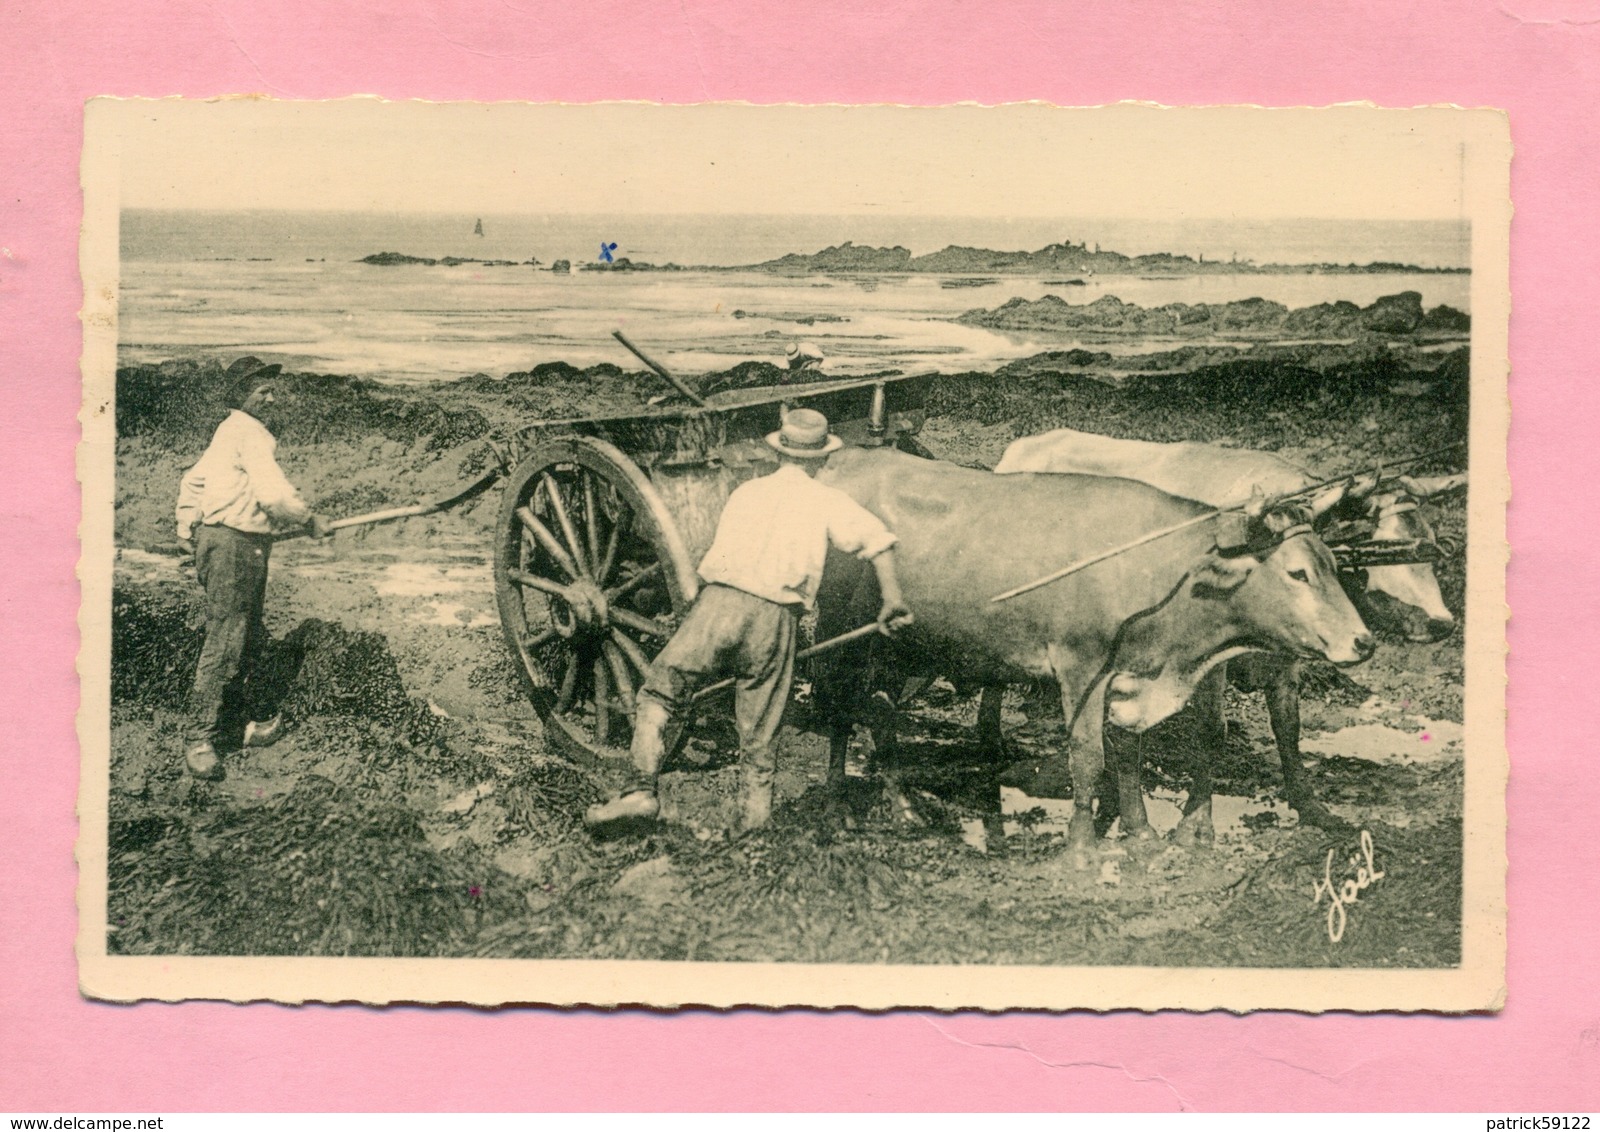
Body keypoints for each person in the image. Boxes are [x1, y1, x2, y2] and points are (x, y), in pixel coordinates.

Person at [584, 407, 913, 833]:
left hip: (717, 605)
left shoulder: (746, 492)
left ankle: (640, 792)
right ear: (820, 459)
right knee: (760, 736)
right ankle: (753, 831)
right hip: (774, 618)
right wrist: (891, 600)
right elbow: (879, 540)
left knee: (659, 694)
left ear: (779, 453)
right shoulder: (828, 500)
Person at [174, 356, 327, 780]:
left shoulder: (228, 430)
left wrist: (186, 527)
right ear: (242, 394)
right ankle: (199, 740)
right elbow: (274, 493)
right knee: (226, 639)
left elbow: (192, 482)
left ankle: (249, 724)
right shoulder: (251, 433)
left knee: (249, 632)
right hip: (234, 546)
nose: (272, 396)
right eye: (263, 389)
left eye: (271, 389)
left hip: (230, 542)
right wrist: (308, 519)